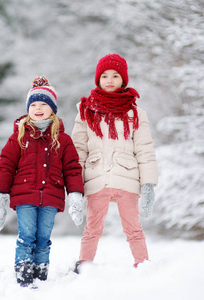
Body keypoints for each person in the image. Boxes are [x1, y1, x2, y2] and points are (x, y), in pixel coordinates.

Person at [0, 76, 84, 287]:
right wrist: (0, 195)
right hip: (25, 195)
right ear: (28, 108)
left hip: (51, 197)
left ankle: (40, 276)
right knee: (26, 236)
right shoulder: (19, 136)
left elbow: (72, 168)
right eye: (33, 104)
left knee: (43, 239)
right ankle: (24, 277)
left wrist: (76, 194)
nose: (38, 108)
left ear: (53, 108)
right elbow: (6, 165)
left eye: (44, 104)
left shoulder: (63, 139)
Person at [70, 54, 158, 272]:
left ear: (123, 80)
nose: (110, 80)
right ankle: (84, 264)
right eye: (105, 76)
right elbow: (78, 150)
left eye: (115, 75)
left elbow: (145, 150)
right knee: (92, 228)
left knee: (133, 227)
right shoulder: (85, 111)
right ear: (98, 79)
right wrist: (75, 187)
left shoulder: (135, 112)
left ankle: (143, 264)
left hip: (127, 178)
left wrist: (148, 184)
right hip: (96, 177)